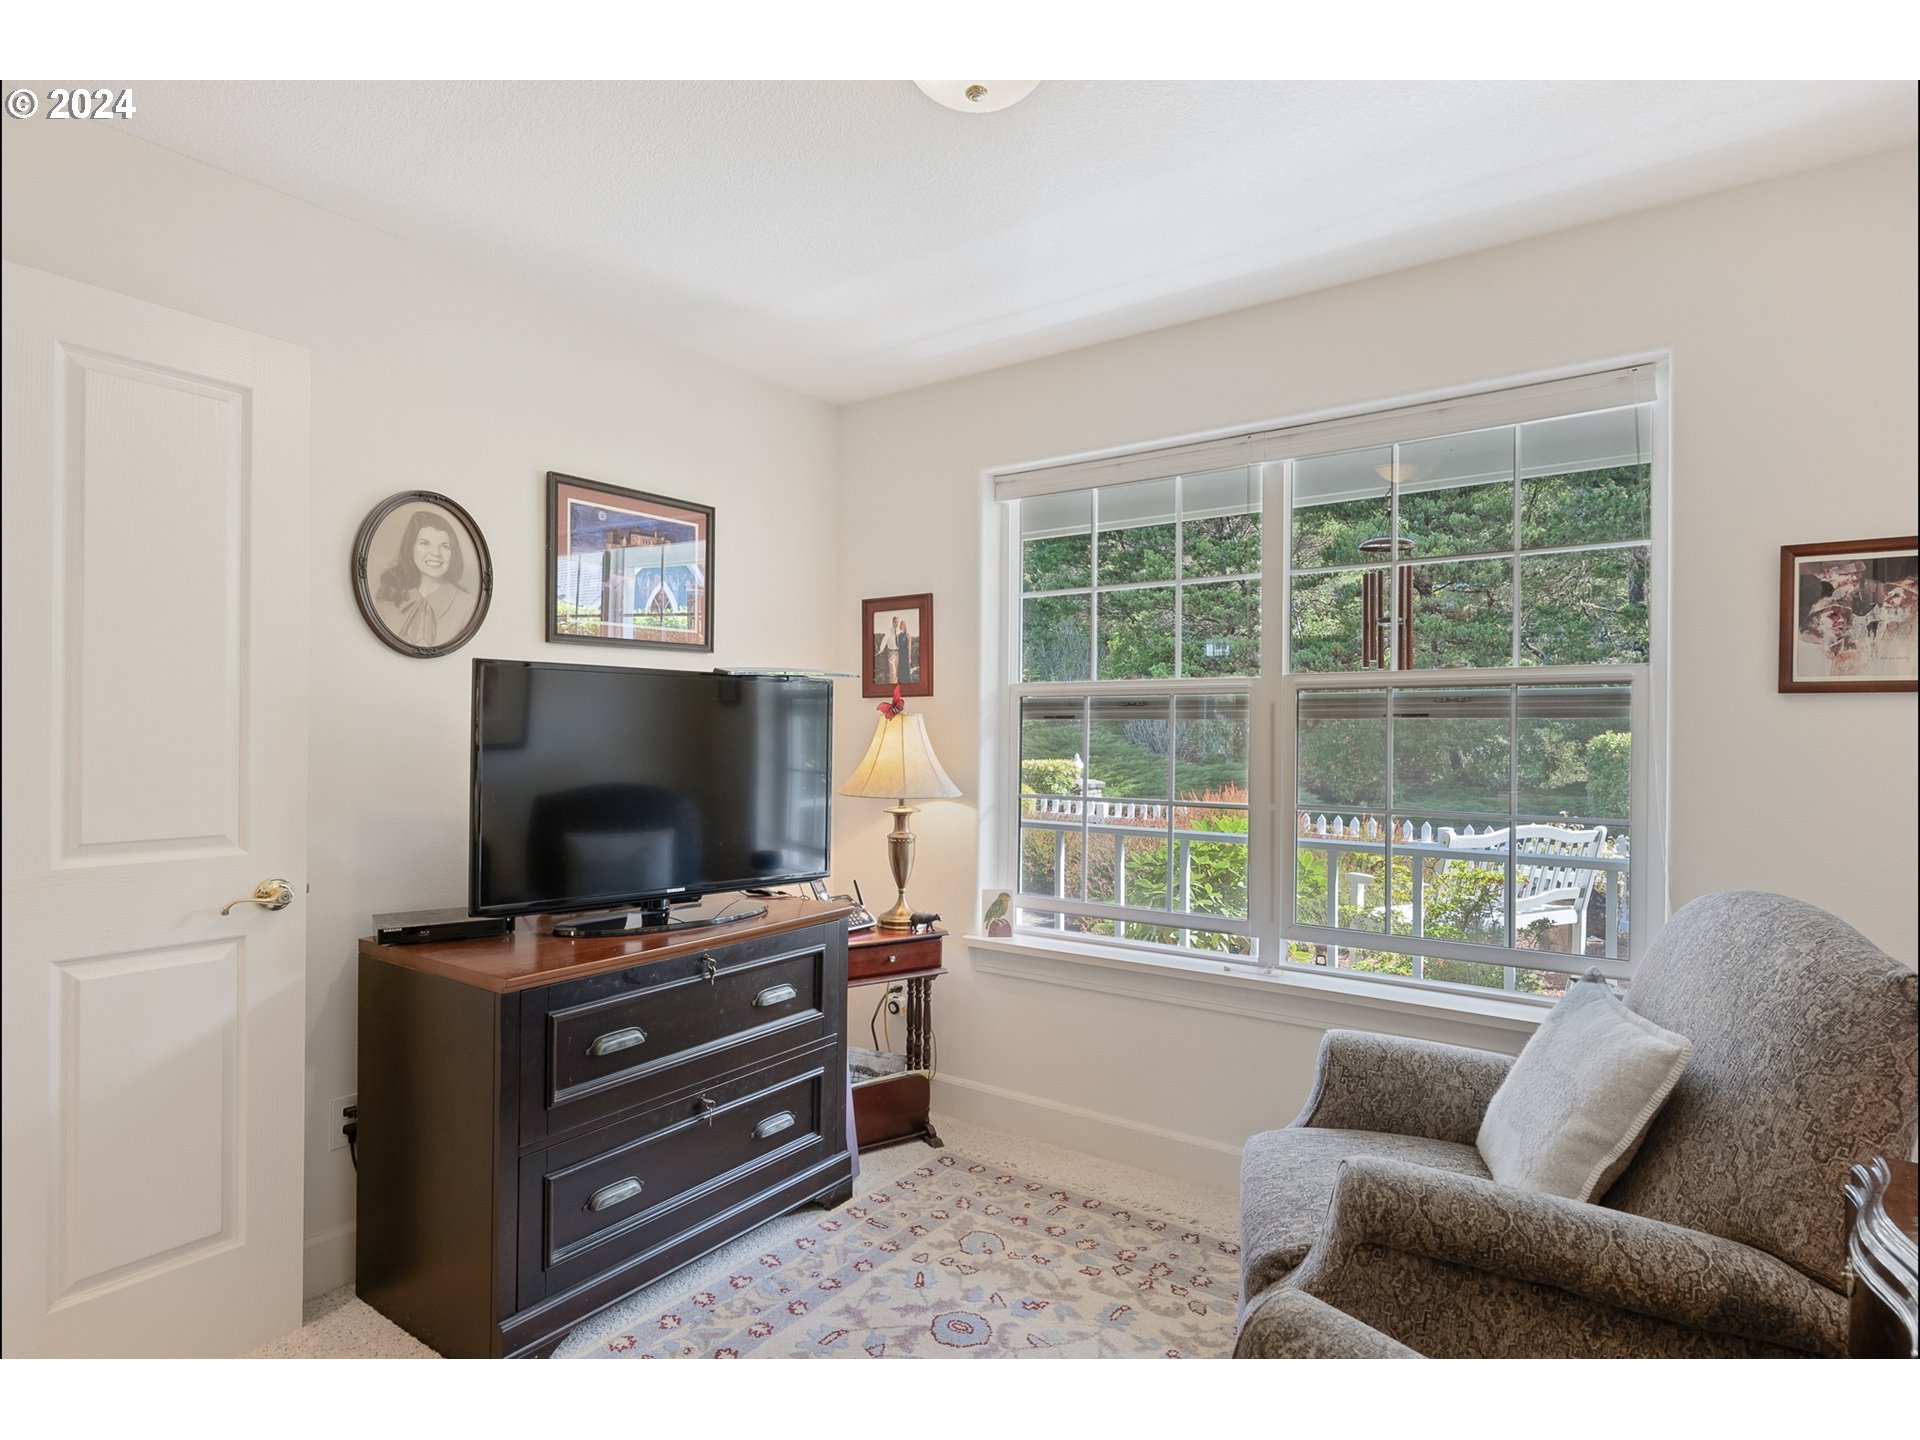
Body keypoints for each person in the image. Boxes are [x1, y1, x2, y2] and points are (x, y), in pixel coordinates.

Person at [376, 510, 471, 647]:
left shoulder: (469, 607)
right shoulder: (387, 603)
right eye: (425, 543)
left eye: (445, 546)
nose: (436, 553)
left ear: (453, 553)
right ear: (411, 549)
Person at [894, 616, 912, 682]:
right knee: (900, 670)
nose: (903, 625)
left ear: (905, 626)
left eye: (904, 624)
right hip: (900, 654)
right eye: (901, 624)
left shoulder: (908, 635)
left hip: (905, 654)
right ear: (900, 626)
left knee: (906, 670)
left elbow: (909, 646)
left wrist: (909, 657)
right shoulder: (898, 635)